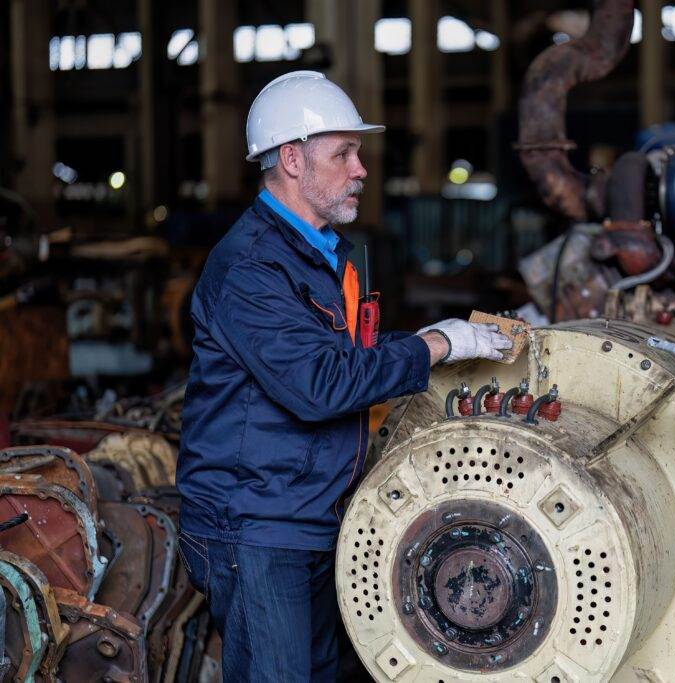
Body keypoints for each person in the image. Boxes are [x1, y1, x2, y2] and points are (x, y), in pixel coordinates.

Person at [175, 71, 510, 682]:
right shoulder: (252, 268)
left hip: (315, 516)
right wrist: (433, 345)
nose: (361, 169)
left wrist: (431, 346)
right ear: (293, 159)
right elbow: (318, 384)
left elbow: (343, 352)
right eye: (344, 154)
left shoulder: (322, 255)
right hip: (256, 527)